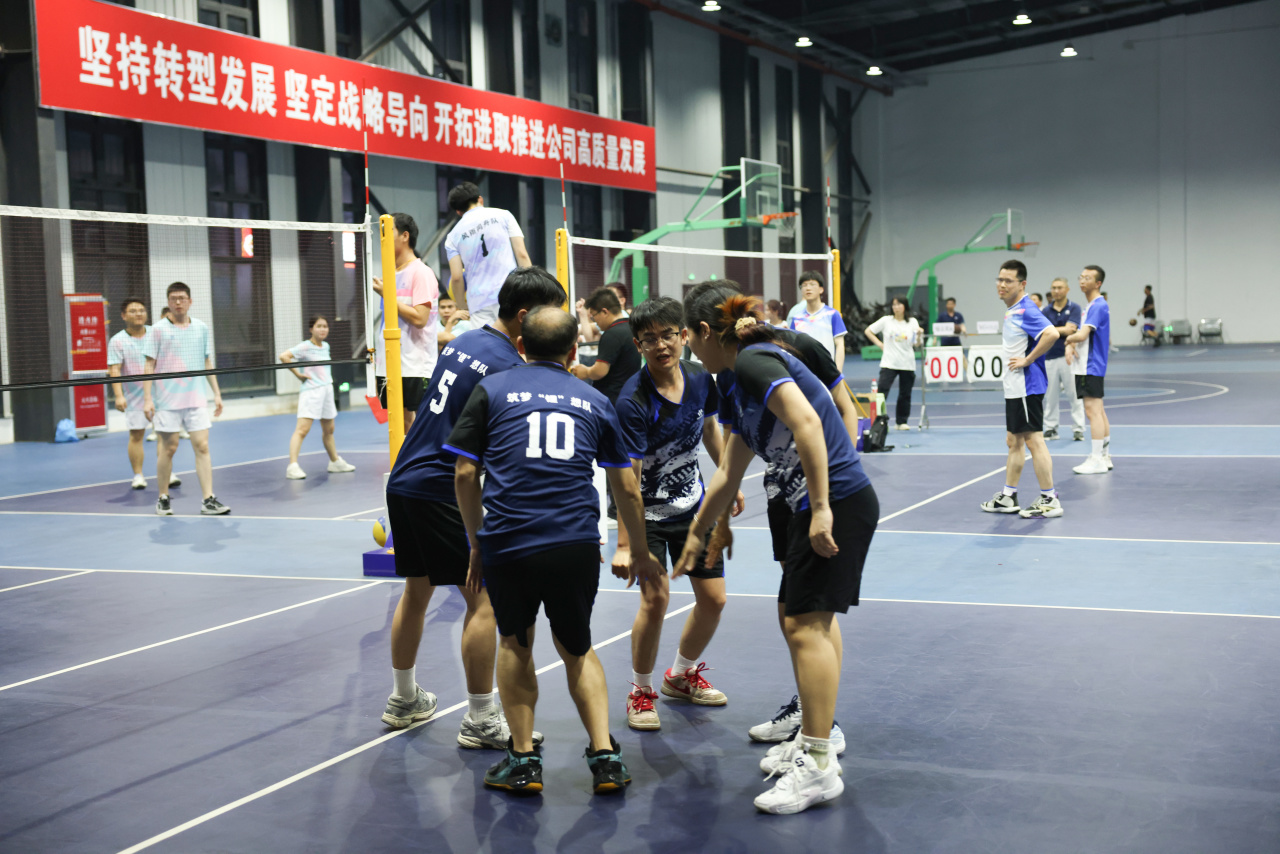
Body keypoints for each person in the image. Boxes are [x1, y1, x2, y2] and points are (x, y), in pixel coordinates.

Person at [674, 292, 878, 815]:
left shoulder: (753, 360)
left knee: (806, 626)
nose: (688, 348)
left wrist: (823, 507)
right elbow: (729, 471)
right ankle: (816, 735)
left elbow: (809, 422)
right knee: (799, 617)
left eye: (687, 337)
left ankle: (818, 764)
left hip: (834, 502)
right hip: (806, 502)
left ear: (702, 331)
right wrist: (700, 531)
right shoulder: (732, 383)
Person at [447, 306, 663, 796]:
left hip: (509, 541)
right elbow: (627, 489)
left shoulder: (492, 391)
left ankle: (523, 762)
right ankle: (605, 757)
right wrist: (641, 550)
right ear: (572, 351)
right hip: (574, 543)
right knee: (577, 647)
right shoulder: (594, 400)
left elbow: (463, 474)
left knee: (515, 643)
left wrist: (477, 541)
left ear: (520, 345)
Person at [380, 267, 567, 750]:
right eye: (550, 316)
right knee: (484, 601)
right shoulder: (507, 366)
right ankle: (481, 718)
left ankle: (404, 698)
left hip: (405, 478)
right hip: (442, 486)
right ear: (525, 316)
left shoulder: (464, 339)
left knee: (416, 590)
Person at [613, 297, 746, 731]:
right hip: (647, 517)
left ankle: (681, 675)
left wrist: (728, 482)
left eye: (667, 335)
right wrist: (625, 544)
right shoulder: (633, 401)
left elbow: (709, 430)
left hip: (692, 506)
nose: (660, 345)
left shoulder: (701, 379)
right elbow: (627, 481)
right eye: (649, 339)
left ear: (684, 336)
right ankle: (640, 690)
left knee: (714, 599)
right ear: (638, 345)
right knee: (655, 601)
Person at [979, 261, 1062, 519]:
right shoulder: (1012, 310)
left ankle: (1049, 499)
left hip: (1027, 386)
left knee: (1034, 440)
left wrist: (1027, 360)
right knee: (1013, 441)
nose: (1002, 285)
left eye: (1008, 281)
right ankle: (1008, 496)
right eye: (1000, 279)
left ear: (1022, 284)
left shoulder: (1026, 309)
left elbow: (1051, 334)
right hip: (1015, 387)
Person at [142, 282, 229, 516]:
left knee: (202, 446)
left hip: (196, 398)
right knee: (169, 448)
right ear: (168, 302)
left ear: (190, 301)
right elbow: (149, 364)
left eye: (182, 298)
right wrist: (148, 398)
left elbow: (206, 361)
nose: (178, 302)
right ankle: (163, 497)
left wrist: (216, 393)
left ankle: (208, 499)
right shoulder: (158, 330)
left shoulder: (201, 328)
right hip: (167, 401)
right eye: (173, 298)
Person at [372, 212, 438, 431]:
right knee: (399, 424)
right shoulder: (389, 274)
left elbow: (420, 318)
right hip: (389, 363)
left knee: (421, 426)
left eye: (388, 232)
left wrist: (387, 295)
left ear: (405, 236)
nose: (383, 238)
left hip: (415, 365)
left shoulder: (421, 273)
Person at [445, 182, 533, 327]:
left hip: (478, 302)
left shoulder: (452, 237)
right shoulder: (504, 215)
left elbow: (456, 277)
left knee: (487, 341)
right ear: (480, 199)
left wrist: (462, 307)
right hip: (510, 293)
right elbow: (522, 254)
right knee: (515, 338)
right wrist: (531, 289)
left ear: (458, 212)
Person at [279, 316, 357, 480]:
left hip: (327, 390)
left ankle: (334, 462)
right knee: (302, 430)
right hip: (311, 391)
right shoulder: (305, 347)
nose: (323, 329)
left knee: (329, 430)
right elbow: (284, 356)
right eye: (319, 326)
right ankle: (292, 466)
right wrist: (298, 375)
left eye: (325, 326)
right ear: (311, 329)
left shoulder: (326, 346)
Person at [107, 298, 161, 490]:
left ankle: (167, 472)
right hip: (135, 396)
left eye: (141, 310)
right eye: (133, 311)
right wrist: (118, 395)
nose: (138, 313)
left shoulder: (156, 334)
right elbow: (114, 369)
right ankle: (138, 475)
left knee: (165, 434)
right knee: (137, 435)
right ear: (123, 316)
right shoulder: (117, 341)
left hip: (161, 393)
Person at [1066, 265, 1113, 474]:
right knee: (1099, 411)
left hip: (1090, 365)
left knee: (1092, 412)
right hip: (1091, 365)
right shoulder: (1092, 305)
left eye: (1087, 278)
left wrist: (1067, 339)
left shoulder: (1097, 306)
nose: (1082, 280)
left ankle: (1096, 459)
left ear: (1098, 283)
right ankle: (1104, 456)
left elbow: (1082, 335)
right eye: (1081, 277)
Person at [862, 296, 922, 431]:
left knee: (905, 394)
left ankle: (901, 422)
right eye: (894, 305)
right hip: (889, 362)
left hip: (907, 363)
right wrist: (880, 344)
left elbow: (917, 344)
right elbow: (868, 331)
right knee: (882, 392)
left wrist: (919, 335)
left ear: (905, 306)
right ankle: (879, 421)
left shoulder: (912, 322)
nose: (896, 307)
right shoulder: (886, 321)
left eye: (899, 304)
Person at [1040, 278, 1085, 441]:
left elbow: (1071, 330)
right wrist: (1062, 329)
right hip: (1049, 357)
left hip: (1070, 358)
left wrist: (1053, 330)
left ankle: (1078, 429)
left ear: (1067, 289)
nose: (1056, 291)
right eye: (1053, 288)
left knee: (1074, 395)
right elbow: (1044, 332)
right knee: (1050, 396)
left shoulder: (1074, 308)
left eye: (1059, 288)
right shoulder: (1046, 311)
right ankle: (1051, 428)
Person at [787, 271, 847, 370]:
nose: (808, 288)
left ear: (821, 289)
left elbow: (840, 344)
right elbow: (793, 348)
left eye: (812, 284)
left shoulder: (832, 314)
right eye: (804, 285)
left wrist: (838, 372)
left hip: (827, 371)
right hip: (805, 372)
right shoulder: (797, 318)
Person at [145, 306, 186, 444]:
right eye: (166, 316)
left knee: (180, 402)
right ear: (162, 317)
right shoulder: (155, 332)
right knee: (157, 404)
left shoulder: (179, 333)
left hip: (176, 376)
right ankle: (155, 430)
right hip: (158, 377)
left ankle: (181, 429)